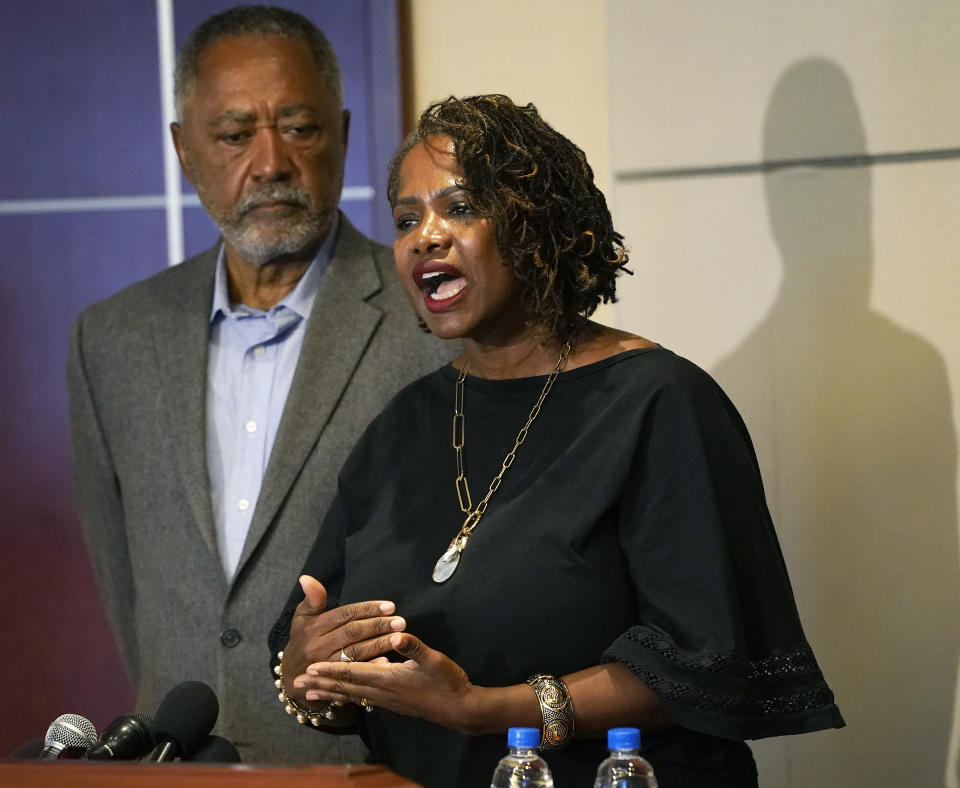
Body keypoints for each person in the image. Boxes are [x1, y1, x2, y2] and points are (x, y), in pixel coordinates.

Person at [269, 94, 845, 787]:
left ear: (537, 224)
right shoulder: (401, 426)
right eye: (404, 219)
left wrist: (484, 710)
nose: (425, 235)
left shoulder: (657, 404)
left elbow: (700, 665)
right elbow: (326, 662)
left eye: (459, 208)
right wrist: (311, 674)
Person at [66, 5, 449, 765]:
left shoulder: (430, 327)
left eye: (299, 128)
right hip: (173, 765)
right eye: (236, 135)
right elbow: (126, 582)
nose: (270, 162)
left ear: (341, 133)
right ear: (184, 149)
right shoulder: (110, 339)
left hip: (368, 769)